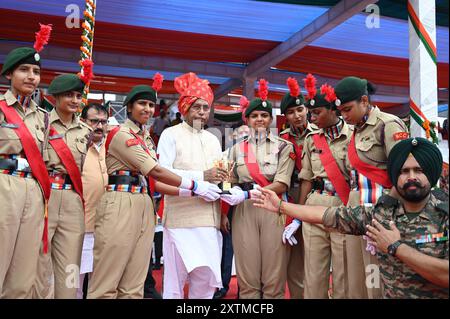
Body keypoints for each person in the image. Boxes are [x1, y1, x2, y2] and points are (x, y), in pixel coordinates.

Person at [253, 137, 448, 299]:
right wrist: (280, 206)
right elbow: (326, 215)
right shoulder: (382, 215)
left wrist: (396, 247)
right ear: (396, 177)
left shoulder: (444, 215)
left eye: (419, 170)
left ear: (430, 175)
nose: (411, 177)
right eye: (404, 171)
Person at [87, 78, 221, 299]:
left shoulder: (146, 138)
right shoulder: (123, 134)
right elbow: (156, 172)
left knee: (135, 282)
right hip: (122, 199)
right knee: (107, 280)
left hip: (144, 202)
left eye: (151, 105)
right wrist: (197, 183)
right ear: (129, 107)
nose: (147, 109)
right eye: (141, 104)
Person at [334, 76, 409, 298]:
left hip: (380, 208)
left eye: (348, 109)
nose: (344, 116)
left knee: (376, 277)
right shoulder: (354, 130)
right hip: (357, 206)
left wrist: (384, 214)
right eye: (341, 112)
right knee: (356, 276)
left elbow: (402, 174)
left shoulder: (388, 124)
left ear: (364, 101)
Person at [221, 79, 295, 299]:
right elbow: (228, 181)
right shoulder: (235, 149)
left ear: (270, 120)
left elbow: (282, 183)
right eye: (254, 116)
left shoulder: (284, 146)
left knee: (274, 275)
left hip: (273, 208)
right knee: (247, 275)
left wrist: (252, 192)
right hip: (243, 210)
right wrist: (224, 211)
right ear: (247, 120)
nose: (259, 120)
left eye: (264, 116)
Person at [157, 72, 227, 299]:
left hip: (209, 219)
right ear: (185, 108)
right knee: (175, 282)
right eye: (197, 107)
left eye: (206, 108)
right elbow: (162, 174)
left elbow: (220, 175)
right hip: (179, 219)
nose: (202, 113)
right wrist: (201, 177)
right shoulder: (170, 135)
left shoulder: (213, 139)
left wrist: (225, 185)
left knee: (206, 282)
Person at [0, 24, 52, 298]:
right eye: (24, 70)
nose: (31, 76)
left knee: (24, 269)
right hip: (4, 186)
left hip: (33, 188)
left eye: (36, 72)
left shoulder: (43, 115)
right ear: (9, 74)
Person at [32, 73, 93, 299]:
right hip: (45, 197)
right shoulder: (41, 123)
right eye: (69, 95)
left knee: (71, 263)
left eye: (78, 96)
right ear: (54, 98)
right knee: (41, 261)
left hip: (72, 200)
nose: (75, 100)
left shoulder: (86, 132)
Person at [297, 75, 352, 299]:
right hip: (314, 206)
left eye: (317, 112)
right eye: (311, 113)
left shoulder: (353, 136)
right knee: (313, 275)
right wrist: (299, 213)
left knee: (342, 274)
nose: (312, 117)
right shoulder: (311, 140)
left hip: (342, 206)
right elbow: (306, 179)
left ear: (333, 110)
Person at [278, 77, 315, 299]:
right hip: (290, 196)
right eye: (291, 112)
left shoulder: (319, 134)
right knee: (294, 256)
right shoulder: (281, 139)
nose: (297, 115)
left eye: (300, 109)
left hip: (317, 197)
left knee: (317, 253)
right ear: (286, 116)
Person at [77, 102, 109, 299]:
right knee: (73, 284)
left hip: (107, 228)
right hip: (78, 228)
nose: (99, 126)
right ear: (82, 122)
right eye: (94, 121)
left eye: (103, 122)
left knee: (101, 284)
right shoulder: (74, 147)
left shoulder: (113, 147)